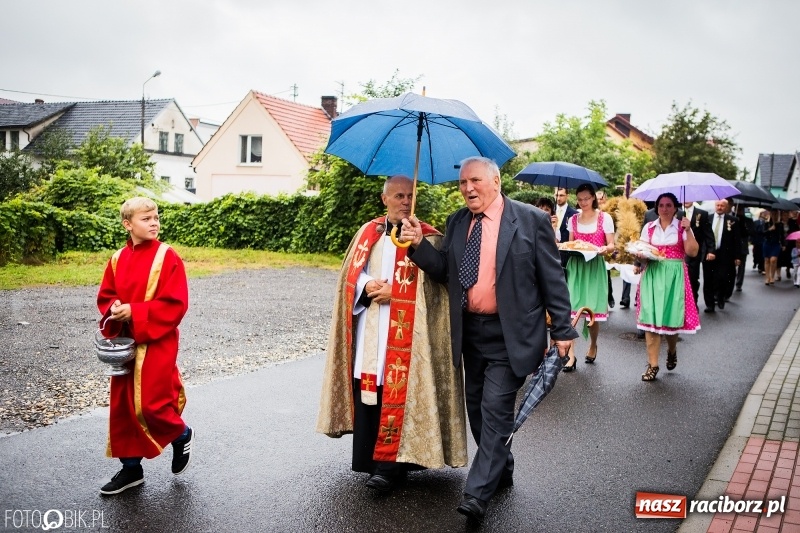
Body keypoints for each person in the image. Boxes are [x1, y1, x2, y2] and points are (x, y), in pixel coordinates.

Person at [400, 157, 577, 522]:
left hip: (511, 334)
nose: (468, 189)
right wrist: (417, 244)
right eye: (463, 182)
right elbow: (445, 271)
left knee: (495, 410)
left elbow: (553, 279)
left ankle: (477, 494)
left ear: (495, 181)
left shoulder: (531, 220)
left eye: (475, 181)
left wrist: (562, 329)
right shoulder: (458, 221)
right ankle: (502, 466)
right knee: (478, 412)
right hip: (469, 332)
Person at [316, 175, 467, 494]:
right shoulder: (368, 232)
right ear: (384, 199)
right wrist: (366, 286)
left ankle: (392, 466)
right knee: (371, 390)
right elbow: (349, 277)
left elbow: (439, 289)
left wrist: (397, 292)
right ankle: (373, 460)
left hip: (409, 337)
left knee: (400, 393)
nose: (405, 201)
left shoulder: (427, 236)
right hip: (371, 327)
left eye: (410, 195)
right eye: (399, 195)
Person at [96, 197, 193, 495]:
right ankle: (130, 469)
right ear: (128, 224)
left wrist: (136, 312)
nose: (154, 223)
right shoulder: (116, 259)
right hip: (126, 342)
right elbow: (106, 295)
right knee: (124, 406)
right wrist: (114, 308)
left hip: (158, 341)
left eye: (156, 217)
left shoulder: (168, 256)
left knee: (150, 402)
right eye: (146, 218)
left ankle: (181, 433)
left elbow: (176, 304)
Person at [633, 193, 700, 381]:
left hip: (674, 275)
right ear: (657, 207)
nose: (664, 208)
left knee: (671, 320)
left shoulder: (682, 226)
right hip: (653, 274)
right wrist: (640, 256)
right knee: (650, 320)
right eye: (661, 205)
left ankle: (672, 349)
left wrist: (689, 230)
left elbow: (692, 252)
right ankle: (652, 365)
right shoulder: (649, 227)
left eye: (668, 205)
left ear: (675, 208)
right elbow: (643, 251)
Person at [563, 183, 616, 371]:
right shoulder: (573, 219)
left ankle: (593, 344)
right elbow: (570, 244)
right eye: (580, 199)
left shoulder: (604, 218)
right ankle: (570, 356)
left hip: (594, 267)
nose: (583, 202)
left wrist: (603, 249)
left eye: (586, 198)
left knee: (592, 312)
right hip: (576, 267)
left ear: (593, 197)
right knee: (570, 310)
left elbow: (612, 245)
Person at [702, 199, 742, 312]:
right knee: (708, 280)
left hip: (725, 254)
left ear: (726, 207)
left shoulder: (733, 220)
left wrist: (737, 256)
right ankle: (709, 304)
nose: (719, 207)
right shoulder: (707, 218)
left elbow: (737, 240)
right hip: (709, 253)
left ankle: (721, 297)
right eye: (718, 205)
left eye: (722, 206)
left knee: (723, 278)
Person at [681, 201, 715, 306]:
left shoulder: (702, 214)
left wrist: (711, 250)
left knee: (692, 279)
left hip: (694, 253)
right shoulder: (676, 212)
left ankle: (693, 304)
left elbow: (708, 234)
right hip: (678, 252)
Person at [596, 190, 615, 309]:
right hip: (598, 248)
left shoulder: (609, 214)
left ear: (605, 199)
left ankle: (610, 296)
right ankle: (607, 296)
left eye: (601, 198)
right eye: (596, 198)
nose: (599, 201)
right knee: (606, 274)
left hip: (608, 245)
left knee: (607, 274)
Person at [555, 187, 578, 269]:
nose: (558, 198)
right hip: (552, 254)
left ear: (567, 196)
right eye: (556, 195)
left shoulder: (574, 214)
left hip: (567, 255)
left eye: (561, 195)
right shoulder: (550, 212)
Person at [762, 209, 784, 285]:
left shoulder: (780, 224)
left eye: (776, 214)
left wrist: (783, 244)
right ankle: (767, 278)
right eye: (773, 214)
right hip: (767, 243)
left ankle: (772, 276)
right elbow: (763, 233)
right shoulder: (767, 223)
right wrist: (770, 229)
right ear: (771, 214)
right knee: (767, 260)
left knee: (773, 260)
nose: (774, 215)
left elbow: (782, 235)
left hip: (776, 244)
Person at [734, 208, 754, 292]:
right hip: (733, 245)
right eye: (737, 209)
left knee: (741, 266)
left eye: (740, 210)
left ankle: (739, 283)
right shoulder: (732, 218)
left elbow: (750, 232)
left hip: (743, 245)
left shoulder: (748, 220)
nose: (739, 211)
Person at [752, 209, 767, 275]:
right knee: (757, 253)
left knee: (762, 254)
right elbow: (754, 231)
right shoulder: (756, 222)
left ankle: (761, 267)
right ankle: (756, 263)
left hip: (763, 240)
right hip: (757, 240)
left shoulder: (766, 222)